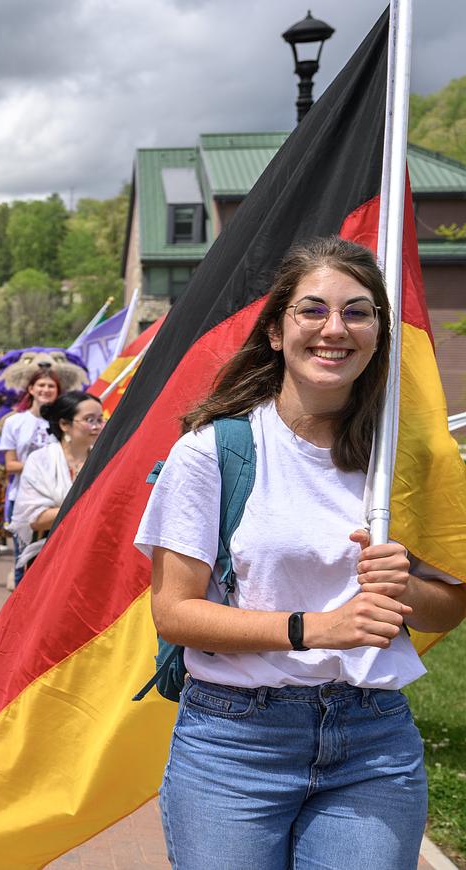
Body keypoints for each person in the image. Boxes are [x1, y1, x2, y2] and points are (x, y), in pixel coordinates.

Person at [134, 237, 466, 869]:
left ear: (377, 335)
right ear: (276, 332)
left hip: (372, 741)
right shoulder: (213, 451)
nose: (334, 328)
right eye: (312, 310)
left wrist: (405, 590)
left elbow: (447, 607)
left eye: (358, 312)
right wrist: (320, 628)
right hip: (235, 744)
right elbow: (174, 613)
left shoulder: (405, 461)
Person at [10, 390, 104, 572]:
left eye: (100, 419)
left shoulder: (106, 460)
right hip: (49, 556)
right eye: (89, 420)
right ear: (64, 424)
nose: (97, 426)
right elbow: (35, 518)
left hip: (94, 555)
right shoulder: (41, 460)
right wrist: (88, 507)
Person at [0, 369, 61, 586]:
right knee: (22, 560)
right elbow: (10, 465)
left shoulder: (63, 422)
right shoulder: (14, 422)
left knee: (51, 561)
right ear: (31, 389)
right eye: (41, 385)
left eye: (51, 386)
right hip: (24, 498)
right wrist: (41, 466)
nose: (45, 390)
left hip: (58, 499)